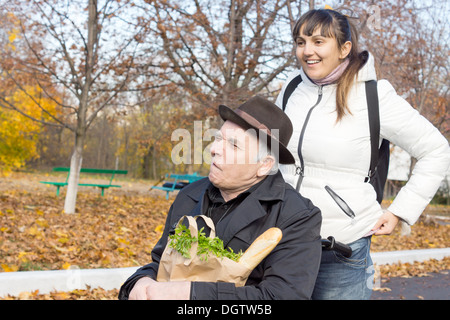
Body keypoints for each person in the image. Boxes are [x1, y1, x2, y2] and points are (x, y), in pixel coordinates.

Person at [276, 8, 450, 300]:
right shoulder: (291, 89)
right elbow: (271, 153)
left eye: (318, 42)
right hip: (284, 243)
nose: (307, 51)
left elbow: (437, 150)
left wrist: (400, 211)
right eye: (300, 41)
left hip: (340, 248)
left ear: (345, 48)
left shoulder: (375, 96)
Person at [118, 96, 322, 300]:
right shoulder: (189, 196)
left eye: (233, 145)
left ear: (264, 165)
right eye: (218, 139)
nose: (214, 150)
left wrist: (190, 294)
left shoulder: (296, 217)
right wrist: (139, 281)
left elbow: (281, 297)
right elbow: (160, 262)